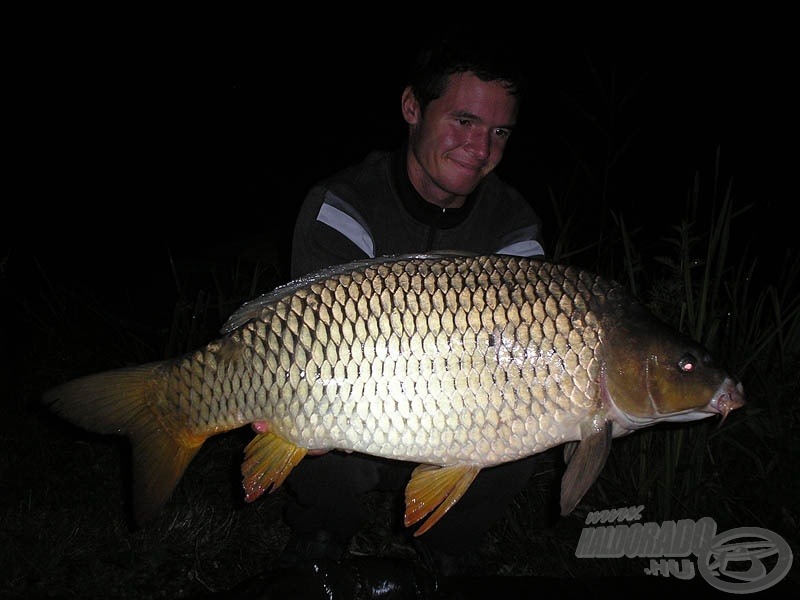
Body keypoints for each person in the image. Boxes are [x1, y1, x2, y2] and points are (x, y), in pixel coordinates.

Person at [268, 30, 546, 577]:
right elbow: (305, 341)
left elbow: (528, 355)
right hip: (356, 407)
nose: (481, 149)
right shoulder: (343, 204)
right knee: (303, 414)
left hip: (465, 413)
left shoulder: (513, 224)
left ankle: (448, 542)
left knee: (531, 424)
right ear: (412, 107)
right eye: (464, 122)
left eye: (499, 132)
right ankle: (322, 534)